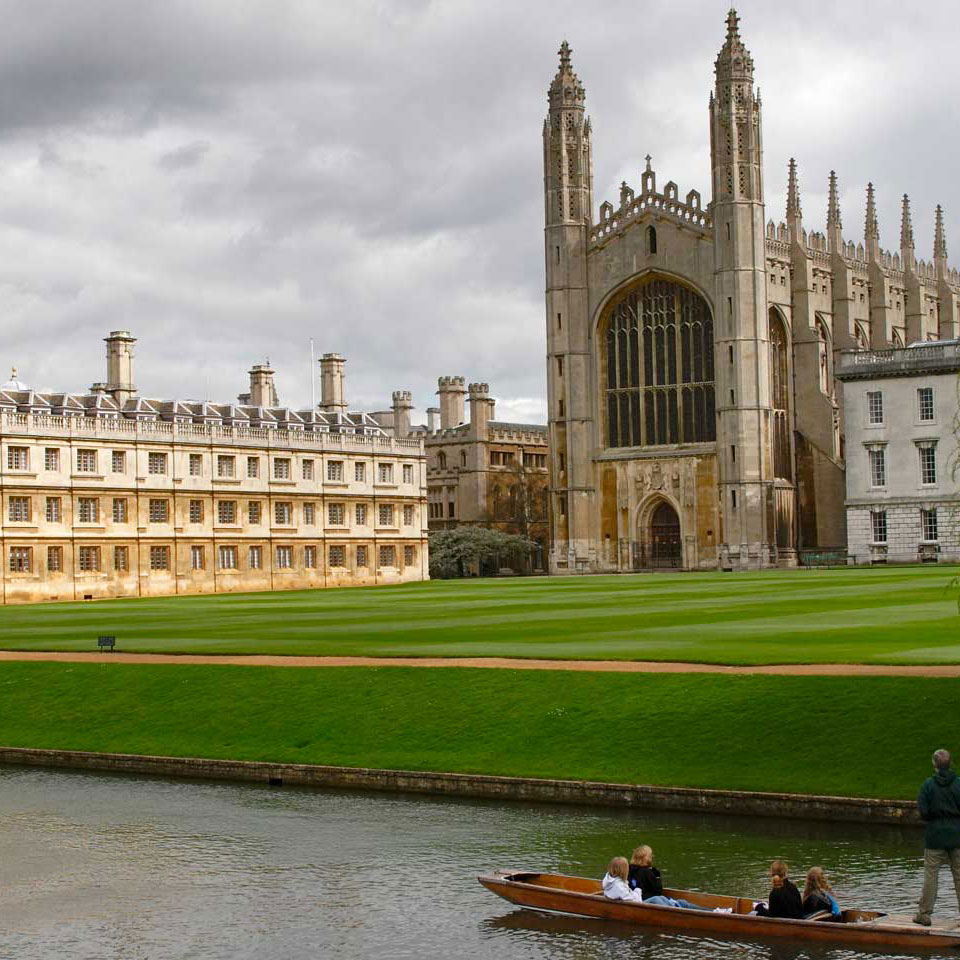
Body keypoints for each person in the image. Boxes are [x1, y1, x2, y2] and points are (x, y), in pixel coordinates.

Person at [914, 748, 960, 927]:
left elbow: (923, 812)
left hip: (935, 837)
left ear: (934, 764)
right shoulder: (958, 784)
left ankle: (924, 914)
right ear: (950, 763)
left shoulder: (928, 785)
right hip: (957, 835)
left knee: (931, 877)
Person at [628, 845, 714, 911]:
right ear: (646, 858)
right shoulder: (647, 872)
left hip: (644, 899)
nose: (652, 857)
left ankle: (714, 911)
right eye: (650, 856)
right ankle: (714, 912)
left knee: (681, 902)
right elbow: (658, 891)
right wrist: (656, 875)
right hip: (649, 901)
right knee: (683, 903)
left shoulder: (629, 870)